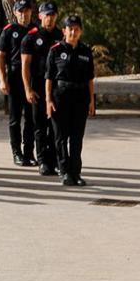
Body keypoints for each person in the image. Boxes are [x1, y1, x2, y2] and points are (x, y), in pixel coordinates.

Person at [45, 15, 96, 187]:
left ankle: (76, 173)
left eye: (76, 29)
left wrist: (91, 101)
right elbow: (49, 78)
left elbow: (90, 79)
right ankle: (65, 171)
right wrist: (48, 100)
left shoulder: (86, 52)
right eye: (70, 28)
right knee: (60, 137)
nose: (73, 32)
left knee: (76, 138)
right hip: (60, 97)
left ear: (80, 31)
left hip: (80, 97)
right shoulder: (55, 50)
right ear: (64, 31)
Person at [21, 2, 64, 177]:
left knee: (56, 127)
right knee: (39, 127)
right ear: (40, 16)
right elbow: (25, 66)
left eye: (53, 14)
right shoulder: (30, 37)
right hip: (38, 86)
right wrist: (27, 89)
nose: (50, 18)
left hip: (57, 88)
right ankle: (43, 162)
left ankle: (54, 161)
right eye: (46, 14)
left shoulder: (62, 35)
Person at [0, 0, 36, 166]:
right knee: (14, 118)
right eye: (20, 11)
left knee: (31, 118)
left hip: (33, 79)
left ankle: (29, 152)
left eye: (26, 11)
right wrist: (2, 79)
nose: (23, 14)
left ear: (31, 12)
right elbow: (0, 56)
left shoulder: (36, 31)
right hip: (14, 78)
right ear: (14, 12)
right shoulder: (9, 30)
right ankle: (16, 152)